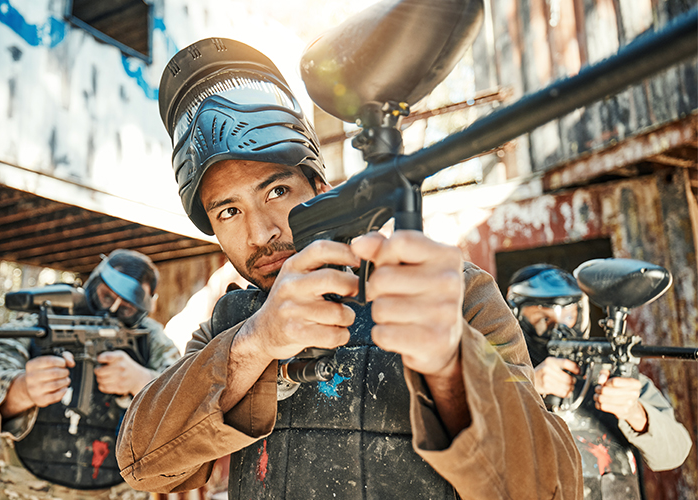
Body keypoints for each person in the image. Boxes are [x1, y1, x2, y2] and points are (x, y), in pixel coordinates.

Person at [116, 38, 582, 499]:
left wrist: (451, 364)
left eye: (276, 192)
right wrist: (258, 343)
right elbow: (142, 462)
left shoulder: (458, 297)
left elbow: (550, 487)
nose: (259, 234)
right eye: (229, 212)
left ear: (319, 187)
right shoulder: (233, 322)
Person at [0, 249, 180, 500]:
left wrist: (141, 381)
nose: (111, 311)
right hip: (22, 489)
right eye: (106, 296)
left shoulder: (150, 336)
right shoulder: (45, 318)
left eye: (127, 307)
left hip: (117, 493)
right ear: (94, 283)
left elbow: (187, 399)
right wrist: (23, 390)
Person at [506, 264, 692, 500]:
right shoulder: (497, 378)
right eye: (544, 318)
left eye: (569, 315)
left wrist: (636, 413)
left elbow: (676, 453)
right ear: (516, 319)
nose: (561, 329)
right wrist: (525, 387)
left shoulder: (611, 377)